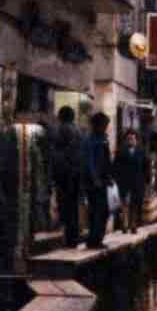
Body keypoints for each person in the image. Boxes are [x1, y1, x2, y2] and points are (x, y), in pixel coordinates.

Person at [50, 105, 83, 248]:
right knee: (73, 208)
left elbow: (57, 154)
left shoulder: (62, 130)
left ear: (61, 117)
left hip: (64, 175)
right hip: (76, 174)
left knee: (65, 207)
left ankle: (68, 239)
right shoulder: (78, 131)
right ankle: (73, 238)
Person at [83, 112, 112, 249]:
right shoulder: (91, 140)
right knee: (96, 211)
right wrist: (94, 178)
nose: (106, 127)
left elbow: (106, 160)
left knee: (104, 211)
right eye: (105, 124)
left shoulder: (103, 139)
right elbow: (89, 161)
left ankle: (97, 238)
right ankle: (93, 239)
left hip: (102, 180)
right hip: (94, 182)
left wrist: (109, 177)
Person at [113, 128, 149, 234]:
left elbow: (146, 167)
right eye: (128, 139)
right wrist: (116, 179)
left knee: (135, 203)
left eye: (132, 139)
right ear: (126, 140)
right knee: (124, 203)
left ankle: (133, 224)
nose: (130, 141)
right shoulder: (120, 151)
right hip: (124, 181)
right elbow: (116, 166)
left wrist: (146, 181)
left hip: (137, 181)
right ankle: (124, 224)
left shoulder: (141, 152)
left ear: (136, 140)